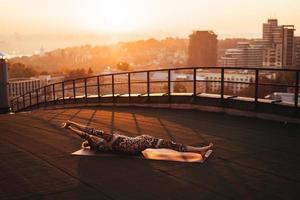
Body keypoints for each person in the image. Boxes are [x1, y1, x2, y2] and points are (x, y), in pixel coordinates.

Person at [62, 120, 213, 156]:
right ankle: (198, 150)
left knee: (159, 141)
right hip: (131, 145)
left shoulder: (100, 144)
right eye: (90, 140)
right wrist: (71, 124)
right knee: (166, 143)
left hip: (131, 145)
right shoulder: (101, 142)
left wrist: (70, 126)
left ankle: (197, 150)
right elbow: (87, 131)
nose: (93, 138)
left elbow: (86, 134)